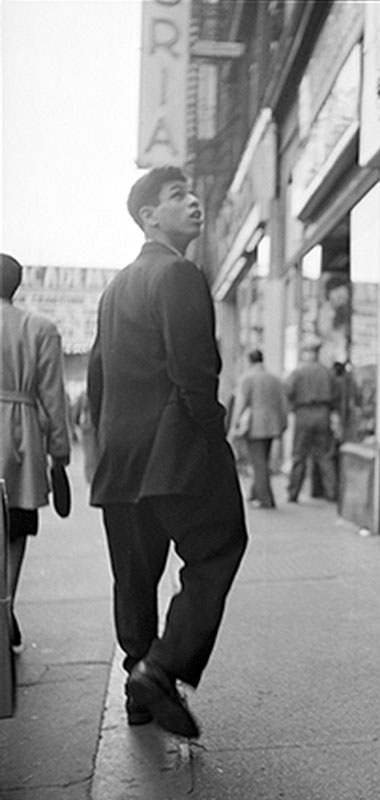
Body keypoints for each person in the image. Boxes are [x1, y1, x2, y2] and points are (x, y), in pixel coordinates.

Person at [88, 166, 248, 739]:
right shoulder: (178, 273)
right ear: (148, 216)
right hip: (176, 452)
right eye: (176, 196)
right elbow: (194, 373)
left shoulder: (115, 289)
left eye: (191, 192)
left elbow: (98, 380)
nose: (194, 202)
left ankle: (138, 685)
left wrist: (102, 453)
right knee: (218, 548)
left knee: (134, 576)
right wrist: (214, 433)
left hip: (121, 462)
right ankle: (160, 669)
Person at [0, 253, 71, 654]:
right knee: (15, 526)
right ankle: (4, 609)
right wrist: (59, 453)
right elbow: (53, 397)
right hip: (19, 436)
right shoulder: (38, 327)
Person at [229, 348, 288, 508]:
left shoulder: (247, 378)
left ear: (249, 361)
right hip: (272, 425)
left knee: (258, 463)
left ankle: (265, 499)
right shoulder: (275, 379)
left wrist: (233, 426)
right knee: (263, 460)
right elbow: (283, 403)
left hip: (255, 426)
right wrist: (283, 424)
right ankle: (255, 493)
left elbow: (241, 404)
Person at [284, 337, 338, 503]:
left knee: (299, 455)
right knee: (325, 455)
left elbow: (287, 391)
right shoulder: (326, 372)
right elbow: (336, 393)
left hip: (303, 413)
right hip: (323, 413)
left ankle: (294, 493)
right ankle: (331, 492)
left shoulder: (298, 372)